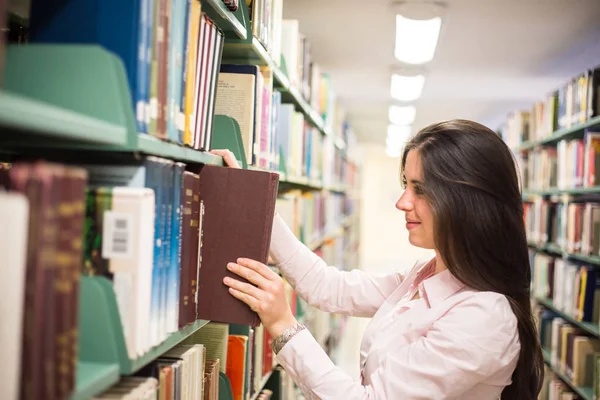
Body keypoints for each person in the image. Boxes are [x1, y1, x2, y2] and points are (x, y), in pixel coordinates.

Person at [209, 119, 544, 400]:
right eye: (405, 185)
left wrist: (283, 324)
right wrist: (254, 202)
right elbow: (327, 287)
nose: (402, 202)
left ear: (467, 202)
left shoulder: (484, 317)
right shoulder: (426, 276)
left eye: (420, 190)